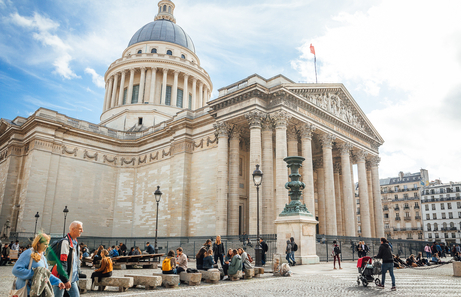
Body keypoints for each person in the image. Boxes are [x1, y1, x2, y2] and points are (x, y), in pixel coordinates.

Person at [52, 221, 83, 297]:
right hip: (62, 277)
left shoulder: (75, 242)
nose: (82, 231)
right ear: (73, 229)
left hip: (72, 277)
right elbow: (62, 262)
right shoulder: (65, 242)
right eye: (80, 229)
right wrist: (65, 279)